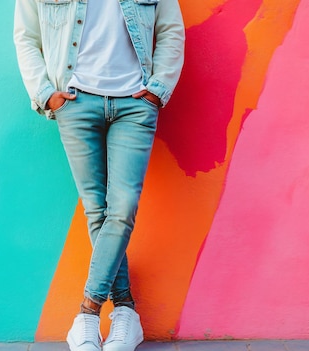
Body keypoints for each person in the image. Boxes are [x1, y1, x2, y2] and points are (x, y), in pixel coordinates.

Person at [14, 0, 184, 350]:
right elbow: (26, 36)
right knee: (97, 210)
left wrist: (157, 88)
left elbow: (170, 30)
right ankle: (125, 311)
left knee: (121, 208)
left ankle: (87, 313)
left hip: (135, 103)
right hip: (75, 102)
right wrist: (47, 95)